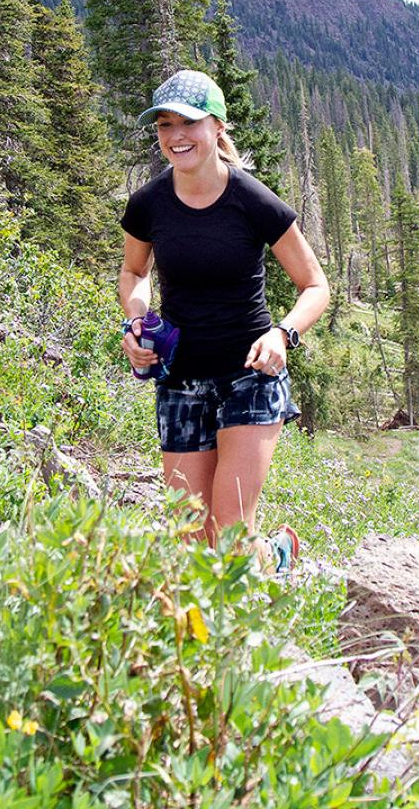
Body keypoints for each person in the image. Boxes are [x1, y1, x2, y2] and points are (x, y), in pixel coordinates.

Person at [118, 69, 329, 571]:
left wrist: (283, 334)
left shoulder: (253, 201)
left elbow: (315, 286)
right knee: (190, 536)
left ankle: (270, 561)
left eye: (188, 123)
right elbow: (132, 271)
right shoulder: (149, 204)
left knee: (229, 533)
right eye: (164, 125)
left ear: (217, 127)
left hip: (250, 376)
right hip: (180, 378)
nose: (175, 136)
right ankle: (270, 560)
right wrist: (136, 319)